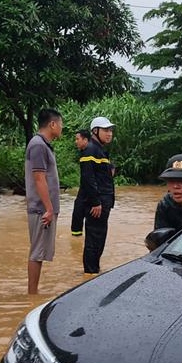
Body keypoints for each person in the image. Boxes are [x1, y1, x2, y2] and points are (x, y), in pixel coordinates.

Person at [25, 108, 63, 294]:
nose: (62, 128)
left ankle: (33, 292)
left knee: (39, 252)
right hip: (41, 209)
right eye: (61, 124)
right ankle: (31, 294)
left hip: (44, 208)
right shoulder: (38, 145)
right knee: (37, 252)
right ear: (52, 124)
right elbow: (39, 178)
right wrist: (48, 209)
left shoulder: (42, 144)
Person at [78, 117, 116, 274]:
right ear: (95, 131)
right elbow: (88, 178)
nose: (110, 134)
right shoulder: (90, 150)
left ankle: (93, 271)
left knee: (99, 238)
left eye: (111, 131)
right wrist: (95, 202)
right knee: (94, 240)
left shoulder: (99, 150)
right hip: (97, 203)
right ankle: (90, 273)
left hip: (103, 201)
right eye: (106, 130)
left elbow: (101, 176)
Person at [69, 129, 91, 237]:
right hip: (84, 192)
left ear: (85, 140)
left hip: (89, 194)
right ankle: (76, 243)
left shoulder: (89, 153)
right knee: (77, 217)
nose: (76, 141)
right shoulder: (84, 153)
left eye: (77, 139)